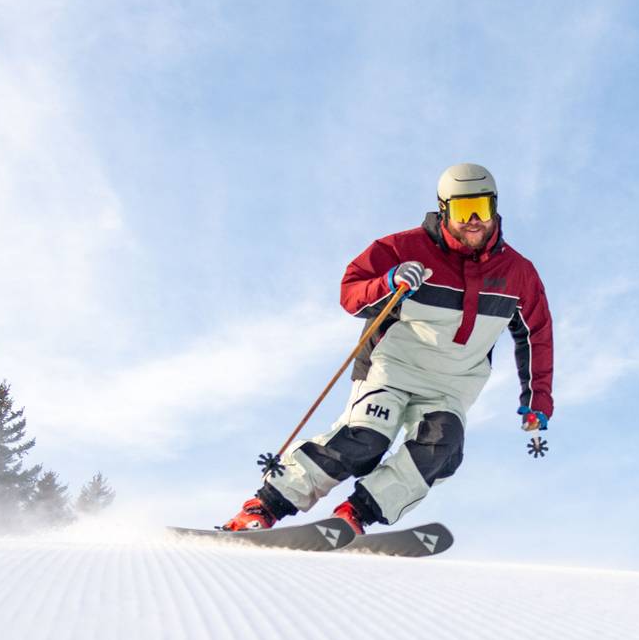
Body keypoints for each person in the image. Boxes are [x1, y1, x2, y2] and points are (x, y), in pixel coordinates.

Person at [223, 162, 554, 534]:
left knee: (442, 448)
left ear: (495, 206)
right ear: (444, 209)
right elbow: (350, 293)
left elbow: (537, 334)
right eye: (463, 210)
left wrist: (537, 398)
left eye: (483, 207)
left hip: (451, 385)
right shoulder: (403, 247)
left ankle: (354, 515)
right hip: (391, 367)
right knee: (366, 437)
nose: (474, 220)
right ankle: (263, 507)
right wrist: (388, 282)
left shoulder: (519, 273)